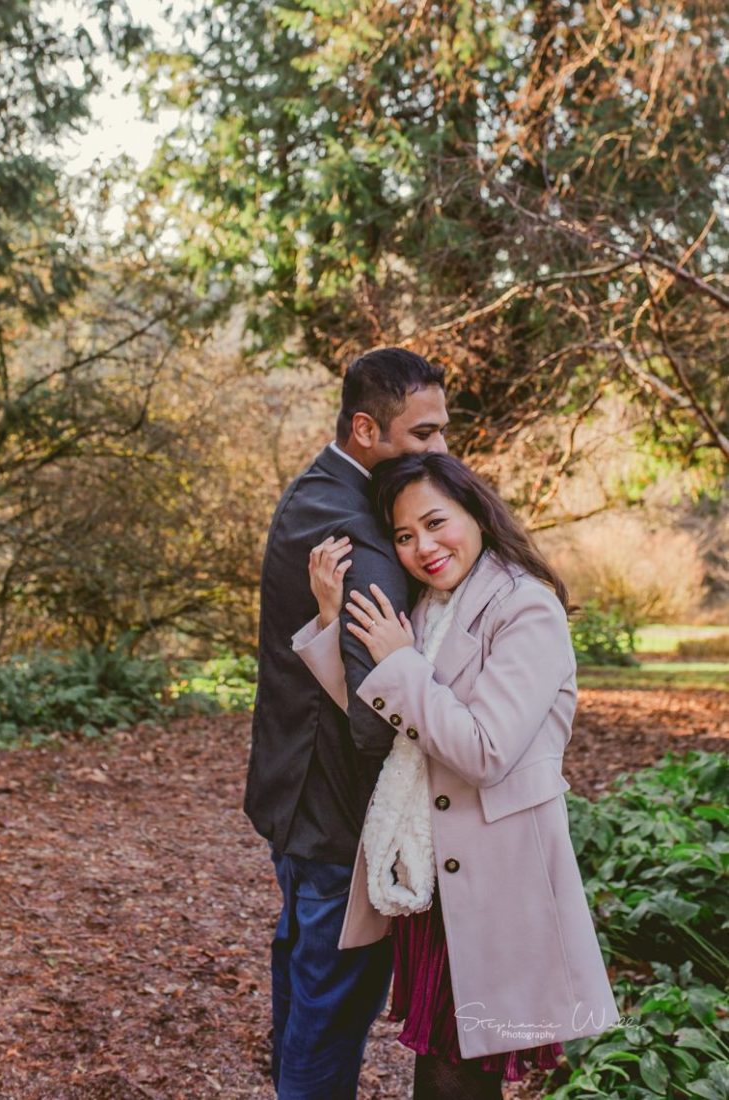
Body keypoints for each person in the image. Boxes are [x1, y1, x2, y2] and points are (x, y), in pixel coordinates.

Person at [292, 453, 620, 1100]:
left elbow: (483, 748)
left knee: (453, 1072)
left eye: (435, 522)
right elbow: (393, 722)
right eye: (404, 536)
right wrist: (334, 622)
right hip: (437, 873)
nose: (422, 547)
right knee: (445, 1069)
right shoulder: (436, 606)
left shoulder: (525, 609)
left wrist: (402, 662)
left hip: (494, 881)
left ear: (475, 510)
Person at [243, 348, 449, 1099]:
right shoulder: (356, 534)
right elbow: (376, 714)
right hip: (335, 807)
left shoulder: (321, 489)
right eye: (422, 435)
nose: (440, 451)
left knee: (307, 974)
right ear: (366, 429)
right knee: (334, 1002)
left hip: (298, 795)